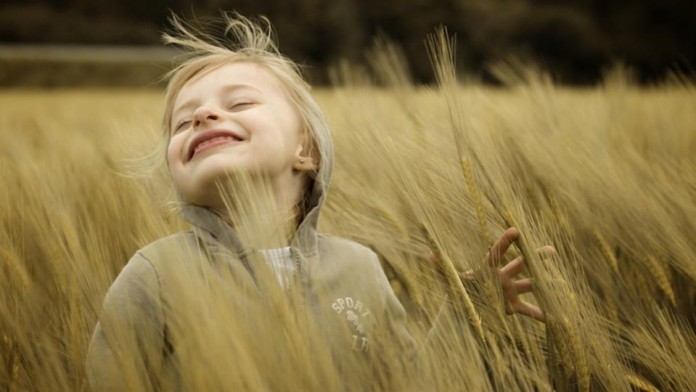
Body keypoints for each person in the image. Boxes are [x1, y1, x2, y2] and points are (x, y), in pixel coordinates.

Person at [86, 13, 547, 391]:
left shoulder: (360, 269)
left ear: (305, 150)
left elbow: (407, 380)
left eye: (240, 104)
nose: (204, 116)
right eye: (183, 122)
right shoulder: (156, 274)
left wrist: (469, 313)